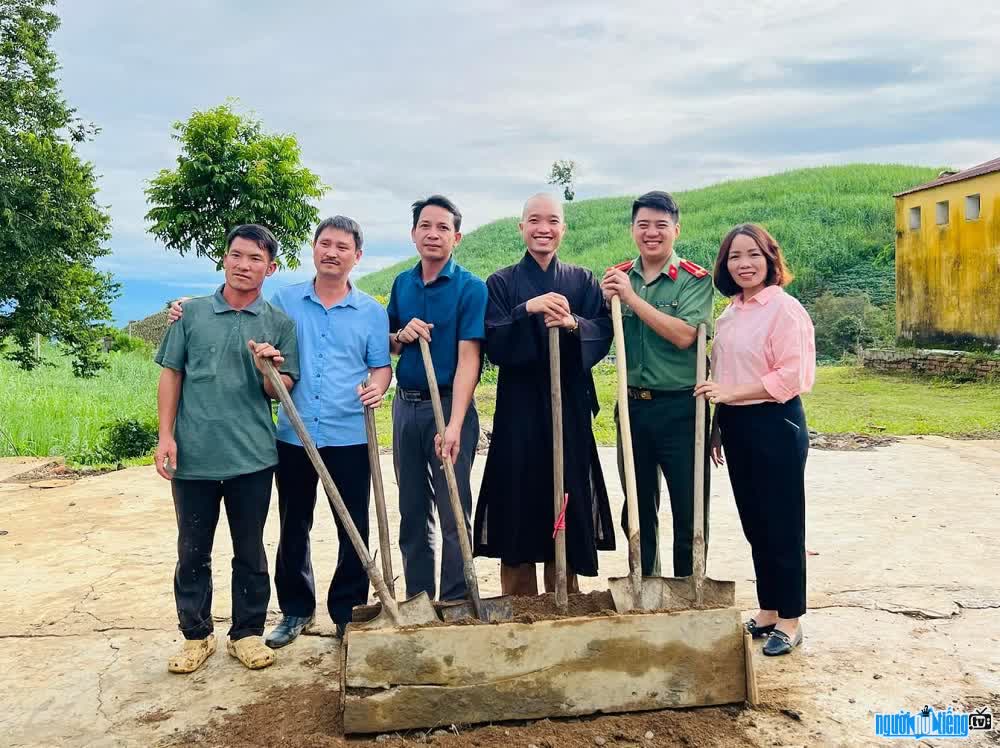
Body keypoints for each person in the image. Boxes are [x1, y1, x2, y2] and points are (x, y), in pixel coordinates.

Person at [168, 216, 391, 647]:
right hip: (293, 434)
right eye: (325, 243)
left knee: (354, 527)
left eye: (342, 247)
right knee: (294, 526)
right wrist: (182, 307)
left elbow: (380, 365)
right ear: (313, 248)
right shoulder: (285, 301)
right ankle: (296, 611)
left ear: (357, 256)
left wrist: (378, 388)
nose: (332, 252)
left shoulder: (371, 312)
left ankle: (347, 614)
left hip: (349, 434)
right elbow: (239, 310)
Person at [155, 224, 299, 674]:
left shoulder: (278, 322)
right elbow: (171, 374)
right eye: (237, 255)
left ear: (270, 268)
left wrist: (268, 367)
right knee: (192, 550)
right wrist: (165, 435)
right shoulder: (192, 314)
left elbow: (283, 389)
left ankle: (248, 634)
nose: (244, 265)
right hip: (194, 456)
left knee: (250, 549)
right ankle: (196, 636)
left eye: (255, 259)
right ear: (224, 258)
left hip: (252, 457)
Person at [474, 193, 615, 595]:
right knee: (518, 500)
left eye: (552, 221)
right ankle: (519, 603)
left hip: (566, 407)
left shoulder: (582, 280)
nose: (543, 228)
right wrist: (527, 309)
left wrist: (573, 325)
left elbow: (601, 331)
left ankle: (562, 598)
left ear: (563, 229)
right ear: (521, 227)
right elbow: (495, 342)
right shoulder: (501, 282)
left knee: (564, 496)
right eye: (534, 220)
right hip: (518, 410)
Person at [694, 223, 815, 656]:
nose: (744, 264)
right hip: (738, 426)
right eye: (734, 257)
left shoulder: (784, 309)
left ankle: (791, 618)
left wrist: (729, 396)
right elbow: (722, 376)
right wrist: (718, 425)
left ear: (770, 259)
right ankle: (767, 609)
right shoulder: (730, 312)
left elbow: (792, 376)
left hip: (775, 423)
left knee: (783, 524)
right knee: (756, 524)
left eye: (753, 255)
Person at [600, 191, 714, 579]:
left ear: (676, 230)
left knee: (689, 507)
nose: (652, 233)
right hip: (632, 407)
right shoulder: (616, 277)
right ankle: (645, 585)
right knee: (637, 505)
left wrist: (631, 299)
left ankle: (688, 589)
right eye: (643, 225)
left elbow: (685, 336)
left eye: (661, 225)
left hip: (682, 407)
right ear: (632, 229)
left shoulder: (694, 280)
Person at [386, 195, 488, 601]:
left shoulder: (470, 288)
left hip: (449, 405)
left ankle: (456, 598)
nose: (433, 234)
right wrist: (400, 336)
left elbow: (469, 361)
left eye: (443, 227)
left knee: (452, 512)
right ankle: (419, 600)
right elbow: (390, 345)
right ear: (413, 234)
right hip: (405, 405)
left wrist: (456, 424)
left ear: (456, 237)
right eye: (425, 226)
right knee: (412, 512)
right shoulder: (401, 284)